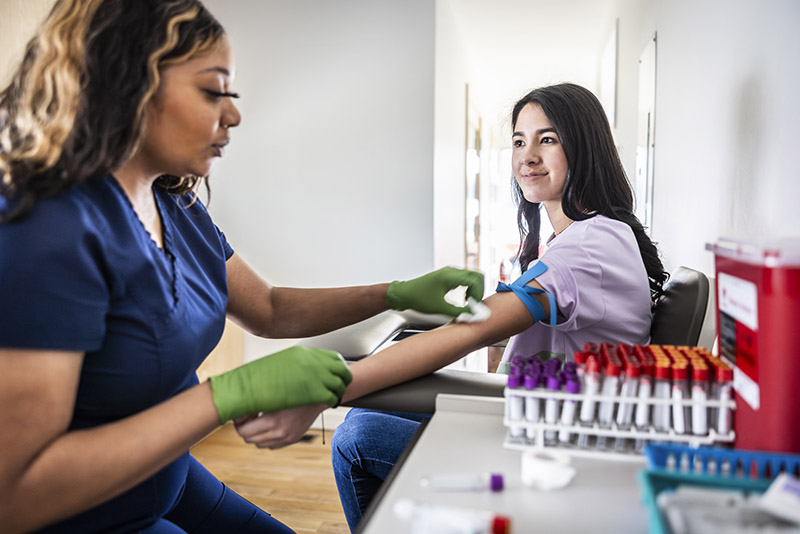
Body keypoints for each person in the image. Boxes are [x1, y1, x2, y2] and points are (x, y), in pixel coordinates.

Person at [0, 1, 484, 533]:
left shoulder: (176, 204)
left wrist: (396, 294)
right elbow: (15, 495)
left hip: (168, 475)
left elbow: (270, 309)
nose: (233, 114)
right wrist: (229, 394)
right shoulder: (46, 226)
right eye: (213, 91)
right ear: (128, 83)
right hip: (86, 514)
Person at [233, 82, 669, 532]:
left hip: (563, 445)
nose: (527, 156)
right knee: (366, 419)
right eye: (519, 141)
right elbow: (490, 319)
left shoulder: (585, 248)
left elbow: (474, 330)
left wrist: (330, 391)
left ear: (585, 146)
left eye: (548, 139)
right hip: (549, 416)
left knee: (356, 436)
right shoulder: (586, 237)